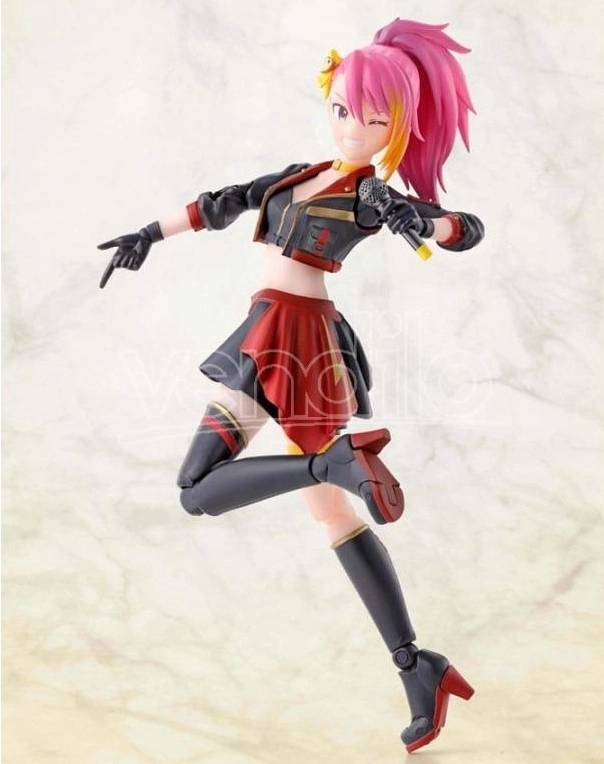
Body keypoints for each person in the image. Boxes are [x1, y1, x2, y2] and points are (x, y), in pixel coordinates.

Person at [98, 18, 484, 754]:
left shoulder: (372, 195)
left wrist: (422, 220)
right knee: (313, 513)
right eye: (343, 108)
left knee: (209, 492)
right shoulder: (300, 173)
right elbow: (222, 202)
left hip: (301, 338)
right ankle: (417, 667)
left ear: (397, 126)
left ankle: (330, 466)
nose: (353, 127)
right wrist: (148, 232)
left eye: (374, 118)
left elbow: (467, 229)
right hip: (264, 329)